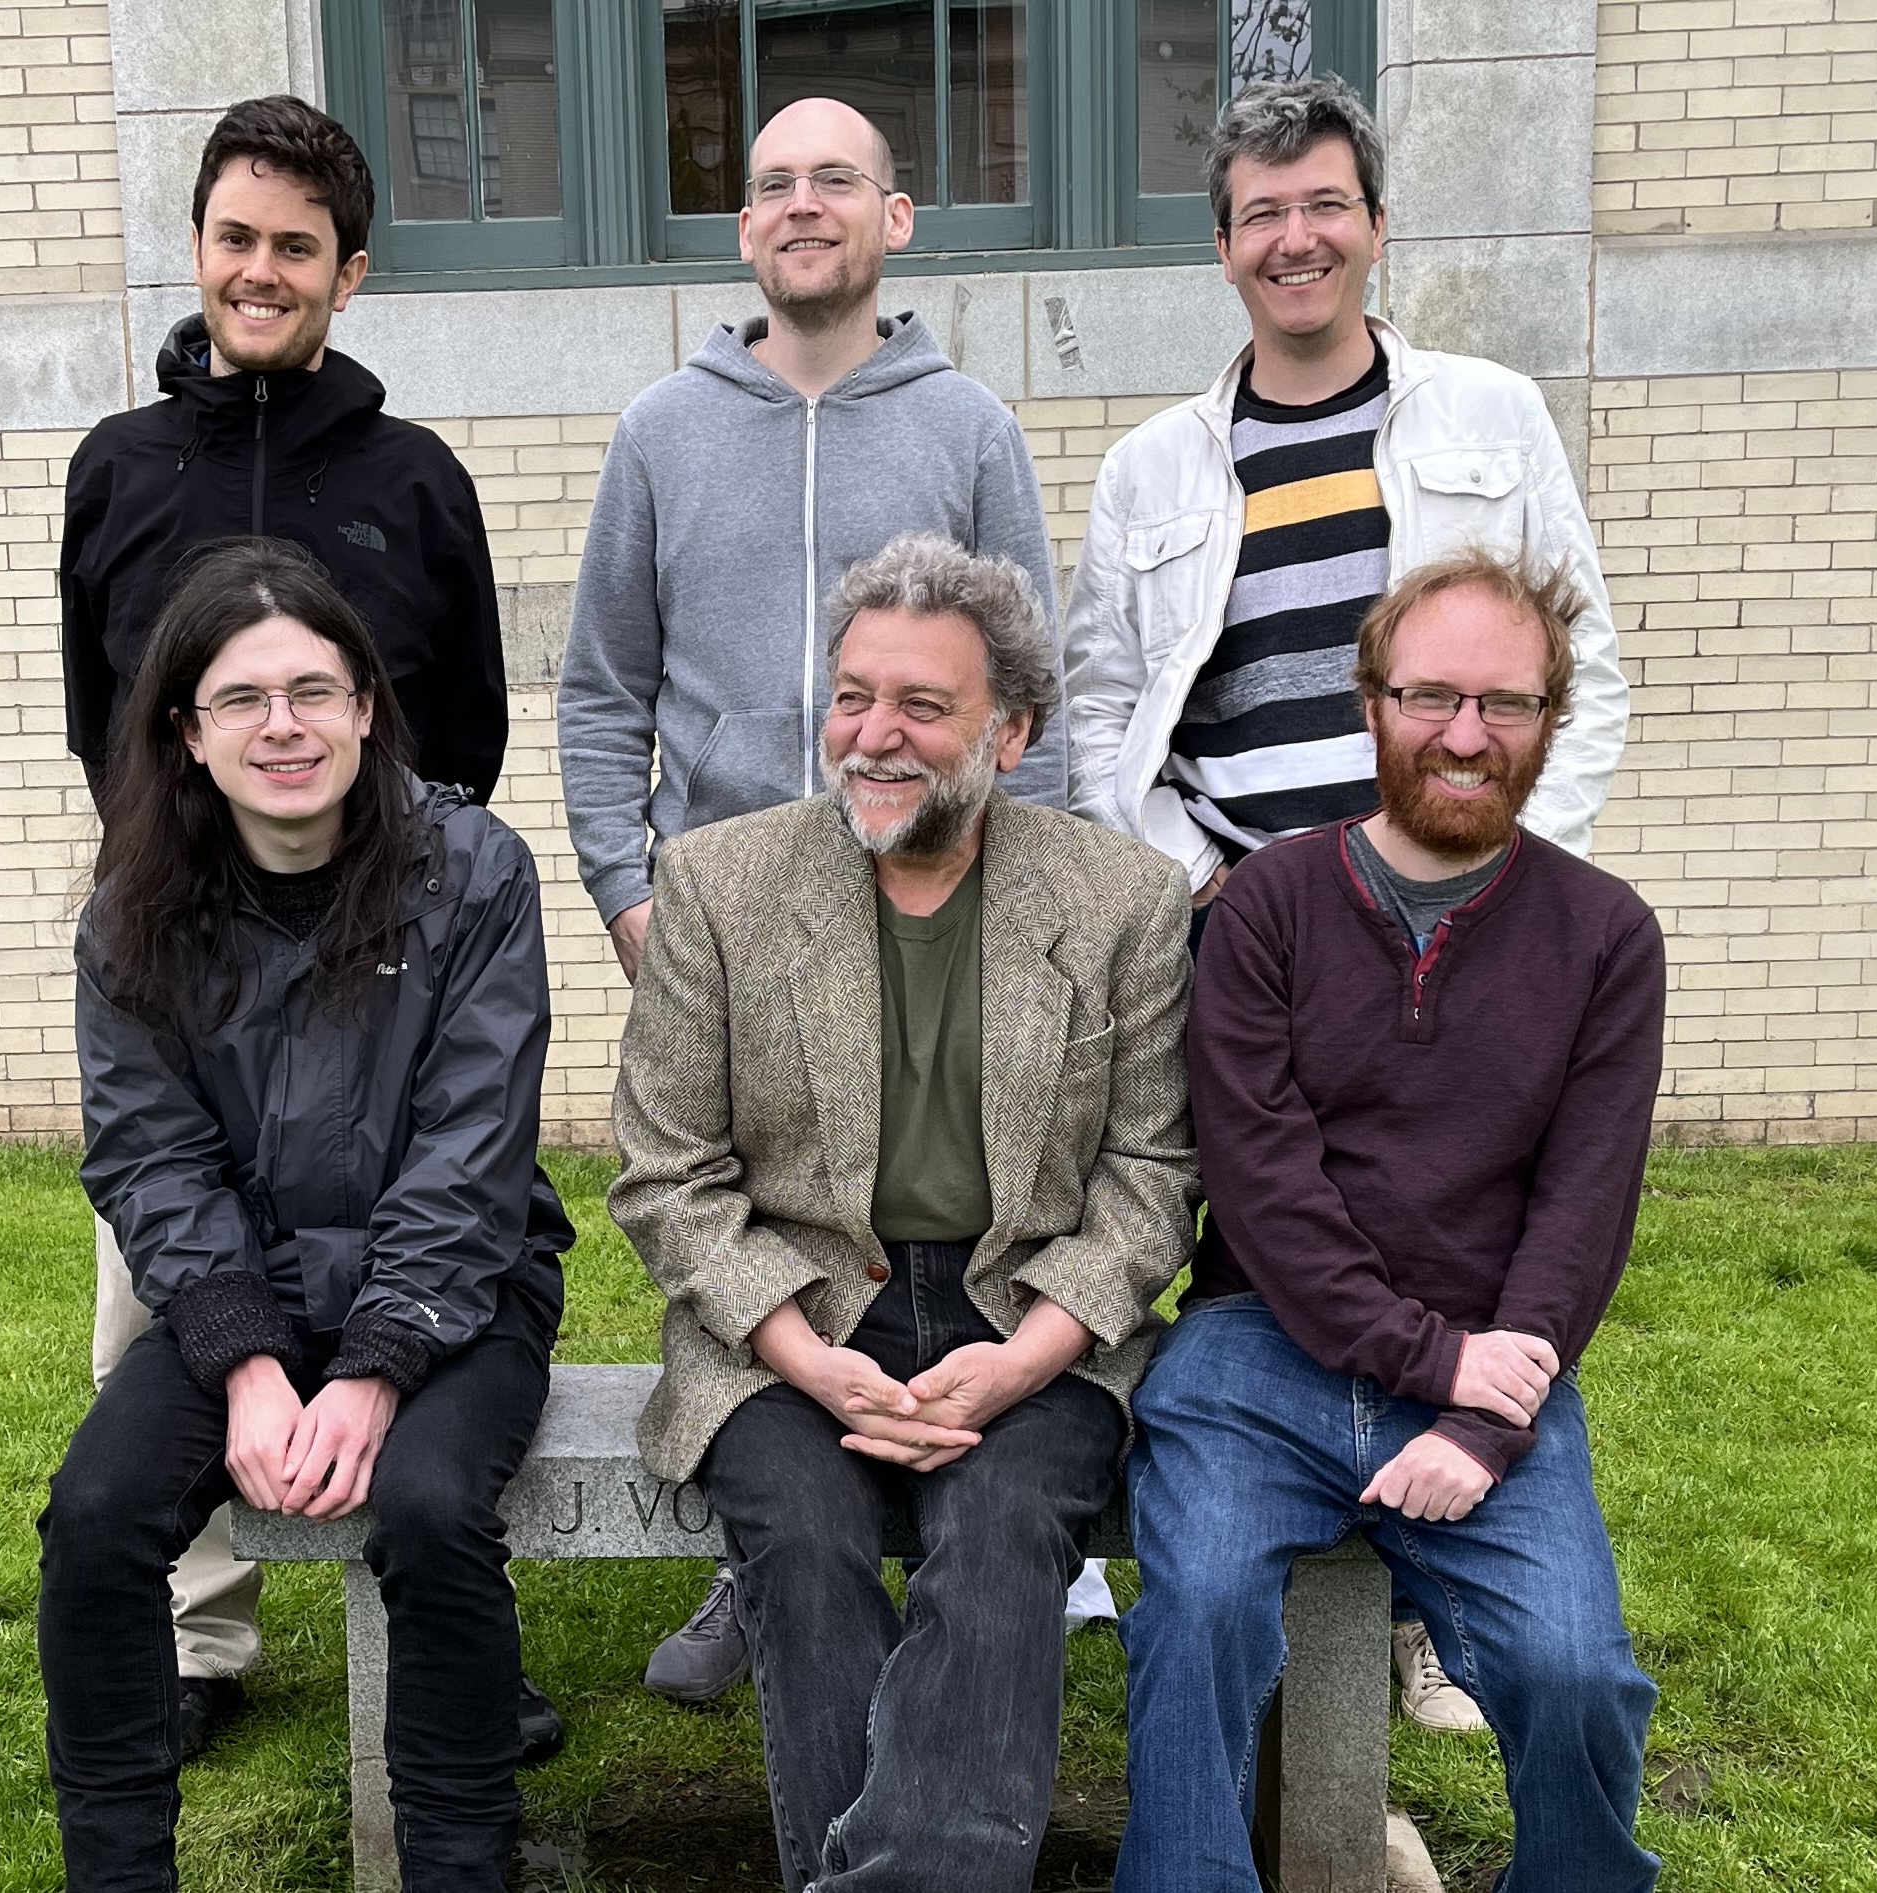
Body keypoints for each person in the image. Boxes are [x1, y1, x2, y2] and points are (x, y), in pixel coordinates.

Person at [1061, 73, 1628, 1721]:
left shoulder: (1487, 418)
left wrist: (1501, 874)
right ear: (1222, 249)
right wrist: (1213, 888)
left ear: (1374, 228)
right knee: (1262, 1228)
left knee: (1459, 1201)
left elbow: (1578, 671)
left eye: (1323, 206)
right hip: (1251, 926)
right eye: (1259, 215)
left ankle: (1425, 1584)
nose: (1293, 239)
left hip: (1457, 905)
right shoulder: (1155, 468)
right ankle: (1283, 1536)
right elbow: (1107, 712)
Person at [559, 95, 1085, 1698]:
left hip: (935, 925)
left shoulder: (967, 430)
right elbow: (598, 697)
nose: (802, 206)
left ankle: (954, 1550)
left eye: (834, 182)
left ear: (894, 218)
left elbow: (1031, 703)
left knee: (926, 1238)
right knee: (751, 1238)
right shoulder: (661, 430)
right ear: (743, 232)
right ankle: (771, 1567)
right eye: (773, 184)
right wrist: (631, 899)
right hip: (727, 940)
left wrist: (1028, 934)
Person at [56, 95, 556, 1762]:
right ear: (196, 251)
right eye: (232, 240)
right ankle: (196, 1638)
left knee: (426, 1322)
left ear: (352, 273)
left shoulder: (415, 478)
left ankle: (450, 1621)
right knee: (174, 1321)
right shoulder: (119, 469)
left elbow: (466, 731)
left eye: (294, 247)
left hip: (387, 961)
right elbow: (98, 720)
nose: (257, 273)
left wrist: (384, 913)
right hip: (188, 973)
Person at [610, 533, 1198, 1892]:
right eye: (850, 694)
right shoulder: (719, 884)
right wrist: (809, 1358)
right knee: (802, 1542)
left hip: (1026, 1306)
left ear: (1013, 726)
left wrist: (1025, 1358)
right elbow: (665, 1169)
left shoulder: (1119, 900)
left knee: (999, 1540)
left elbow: (1150, 1173)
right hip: (789, 1304)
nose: (872, 735)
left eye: (921, 707)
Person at [1117, 549, 1667, 1893]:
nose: (1465, 735)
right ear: (1368, 703)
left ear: (1549, 721)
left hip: (1496, 1361)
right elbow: (1262, 1185)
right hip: (1258, 1354)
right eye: (1430, 695)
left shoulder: (1604, 936)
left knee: (1572, 1669)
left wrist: (1480, 1418)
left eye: (1506, 703)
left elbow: (1581, 1208)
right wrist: (1429, 1365)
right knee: (1192, 1621)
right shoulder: (1264, 908)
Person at [39, 539, 568, 1890]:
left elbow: (472, 1144)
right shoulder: (130, 917)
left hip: (462, 1292)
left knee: (434, 1504)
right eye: (242, 698)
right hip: (250, 1294)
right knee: (96, 1511)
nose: (284, 725)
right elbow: (152, 1160)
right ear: (186, 732)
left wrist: (382, 1364)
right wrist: (252, 1367)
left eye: (315, 690)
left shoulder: (473, 874)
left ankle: (457, 1864)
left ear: (367, 708)